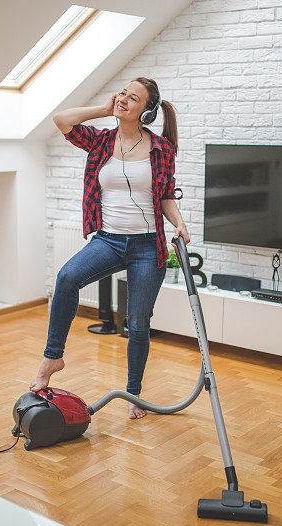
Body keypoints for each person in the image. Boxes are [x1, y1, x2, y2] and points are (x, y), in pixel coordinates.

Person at [30, 77, 189, 419]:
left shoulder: (161, 149)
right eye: (123, 94)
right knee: (67, 277)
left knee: (138, 322)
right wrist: (104, 108)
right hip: (109, 239)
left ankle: (135, 394)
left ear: (146, 111)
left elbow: (164, 196)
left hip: (148, 246)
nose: (124, 101)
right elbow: (62, 120)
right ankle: (53, 356)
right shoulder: (100, 140)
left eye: (134, 99)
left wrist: (179, 222)